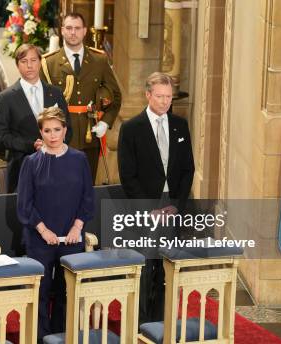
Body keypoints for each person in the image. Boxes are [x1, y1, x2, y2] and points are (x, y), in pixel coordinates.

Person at [117, 72, 194, 323]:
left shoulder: (180, 126)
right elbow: (128, 176)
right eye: (160, 96)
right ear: (148, 95)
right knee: (145, 265)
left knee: (166, 267)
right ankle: (139, 322)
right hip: (145, 209)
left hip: (171, 206)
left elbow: (187, 169)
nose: (164, 102)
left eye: (169, 97)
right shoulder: (131, 128)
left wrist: (176, 204)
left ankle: (161, 322)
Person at [17, 106, 94, 338]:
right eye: (47, 130)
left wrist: (77, 226)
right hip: (39, 238)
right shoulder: (31, 163)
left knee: (66, 292)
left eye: (57, 130)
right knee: (40, 292)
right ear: (40, 133)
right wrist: (43, 230)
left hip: (71, 238)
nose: (52, 135)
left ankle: (61, 336)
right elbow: (24, 204)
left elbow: (88, 198)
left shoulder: (79, 159)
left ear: (65, 130)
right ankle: (40, 337)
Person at [40, 12, 121, 182]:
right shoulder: (49, 63)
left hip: (89, 134)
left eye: (77, 28)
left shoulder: (99, 60)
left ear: (85, 31)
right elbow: (41, 102)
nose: (73, 32)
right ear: (62, 31)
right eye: (68, 28)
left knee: (86, 184)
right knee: (59, 185)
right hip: (59, 136)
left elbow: (116, 95)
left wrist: (106, 122)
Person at [0, 43, 72, 193]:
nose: (29, 65)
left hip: (56, 166)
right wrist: (31, 145)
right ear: (17, 65)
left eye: (33, 60)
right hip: (21, 167)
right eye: (24, 61)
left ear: (40, 62)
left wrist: (53, 145)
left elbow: (68, 129)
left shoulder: (55, 93)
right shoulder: (5, 98)